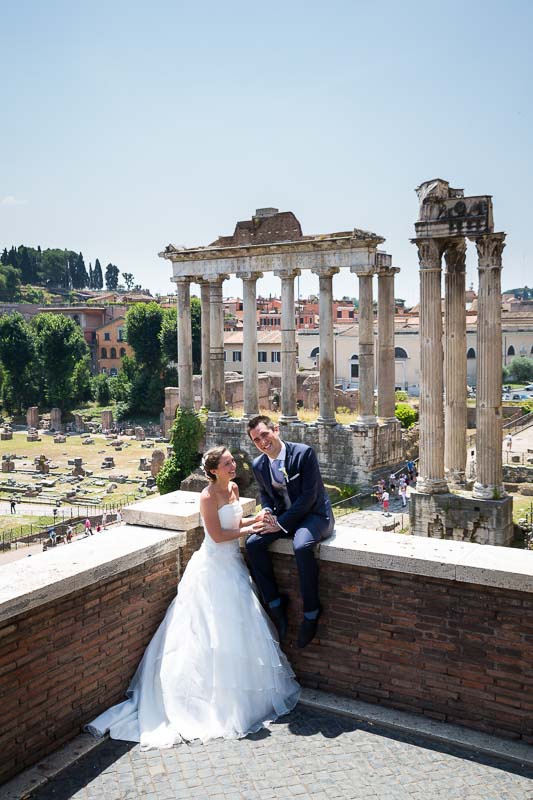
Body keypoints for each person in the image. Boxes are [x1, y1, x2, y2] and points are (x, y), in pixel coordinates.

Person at [86, 446, 300, 749]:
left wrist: (259, 519)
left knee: (237, 630)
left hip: (234, 566)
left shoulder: (235, 488)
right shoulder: (207, 497)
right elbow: (217, 535)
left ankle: (238, 695)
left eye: (232, 462)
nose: (233, 466)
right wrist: (254, 525)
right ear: (213, 470)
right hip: (213, 567)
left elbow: (235, 524)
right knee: (208, 632)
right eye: (227, 463)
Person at [245, 415, 335, 649]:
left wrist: (281, 524)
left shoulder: (304, 453)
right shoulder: (258, 465)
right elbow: (265, 494)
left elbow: (309, 497)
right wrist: (266, 510)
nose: (262, 442)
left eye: (265, 434)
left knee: (302, 546)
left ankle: (311, 612)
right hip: (284, 518)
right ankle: (275, 604)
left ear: (276, 430)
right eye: (256, 440)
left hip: (315, 516)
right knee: (253, 543)